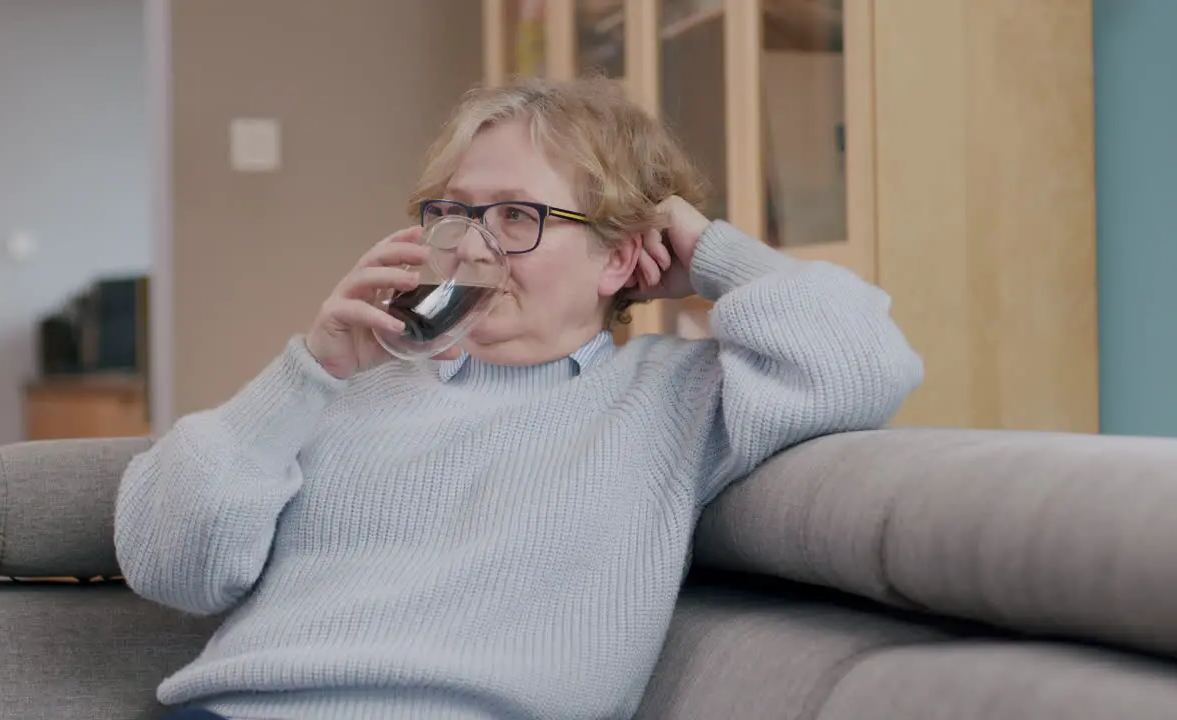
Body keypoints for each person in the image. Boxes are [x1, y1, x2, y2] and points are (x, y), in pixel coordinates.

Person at [115, 76, 923, 720]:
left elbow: (865, 361)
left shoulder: (671, 396)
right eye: (454, 213)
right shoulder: (341, 388)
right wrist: (309, 369)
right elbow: (171, 566)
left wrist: (709, 250)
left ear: (620, 258)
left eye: (516, 216)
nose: (472, 245)